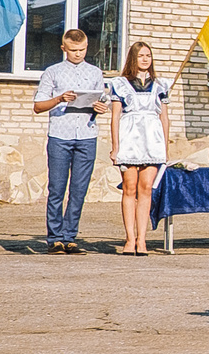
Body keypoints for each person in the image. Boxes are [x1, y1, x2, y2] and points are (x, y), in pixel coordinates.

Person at [32, 28, 109, 254]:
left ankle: (70, 236)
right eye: (73, 50)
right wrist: (59, 98)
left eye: (82, 50)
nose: (78, 54)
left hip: (86, 134)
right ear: (64, 48)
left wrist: (100, 107)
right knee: (57, 187)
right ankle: (54, 238)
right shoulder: (52, 72)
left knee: (79, 189)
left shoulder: (95, 72)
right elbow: (38, 106)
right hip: (60, 135)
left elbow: (100, 99)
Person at [105, 39, 169, 257]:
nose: (145, 59)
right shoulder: (120, 84)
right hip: (130, 139)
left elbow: (164, 118)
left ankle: (142, 239)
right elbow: (115, 117)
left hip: (152, 141)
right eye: (141, 55)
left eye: (148, 56)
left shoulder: (160, 85)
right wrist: (115, 147)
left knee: (146, 189)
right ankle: (129, 238)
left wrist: (165, 148)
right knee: (129, 188)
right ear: (133, 58)